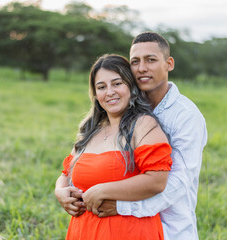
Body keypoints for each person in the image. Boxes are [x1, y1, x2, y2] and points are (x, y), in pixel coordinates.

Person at [56, 32, 208, 240]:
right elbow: (74, 168)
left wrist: (121, 206)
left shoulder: (185, 116)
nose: (142, 68)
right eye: (135, 61)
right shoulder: (117, 113)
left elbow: (177, 184)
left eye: (151, 60)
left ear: (169, 64)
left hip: (171, 229)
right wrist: (61, 190)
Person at [54, 54, 173, 239]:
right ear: (95, 94)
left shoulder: (144, 125)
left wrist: (103, 190)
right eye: (101, 87)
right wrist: (60, 191)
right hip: (83, 231)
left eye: (117, 84)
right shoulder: (90, 131)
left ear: (131, 87)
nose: (109, 92)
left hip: (129, 232)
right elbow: (66, 173)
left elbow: (157, 181)